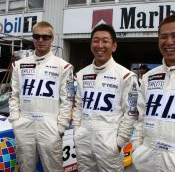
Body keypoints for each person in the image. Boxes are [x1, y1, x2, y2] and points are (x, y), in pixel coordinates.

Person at [73, 23, 141, 172]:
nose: (100, 45)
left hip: (109, 143)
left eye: (105, 41)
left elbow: (131, 112)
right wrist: (77, 132)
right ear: (91, 44)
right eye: (96, 40)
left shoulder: (126, 76)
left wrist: (119, 142)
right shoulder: (80, 75)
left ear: (114, 46)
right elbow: (78, 107)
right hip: (83, 140)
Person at [8, 21, 74, 172]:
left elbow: (67, 99)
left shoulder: (63, 67)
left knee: (53, 169)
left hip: (50, 125)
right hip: (24, 124)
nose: (41, 40)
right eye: (37, 36)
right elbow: (14, 95)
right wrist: (15, 121)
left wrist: (61, 126)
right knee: (25, 168)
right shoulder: (19, 65)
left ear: (52, 39)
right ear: (33, 38)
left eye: (45, 37)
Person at [132, 14, 175, 172]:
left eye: (174, 36)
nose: (169, 42)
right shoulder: (149, 77)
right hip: (147, 160)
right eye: (164, 36)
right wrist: (138, 147)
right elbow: (140, 117)